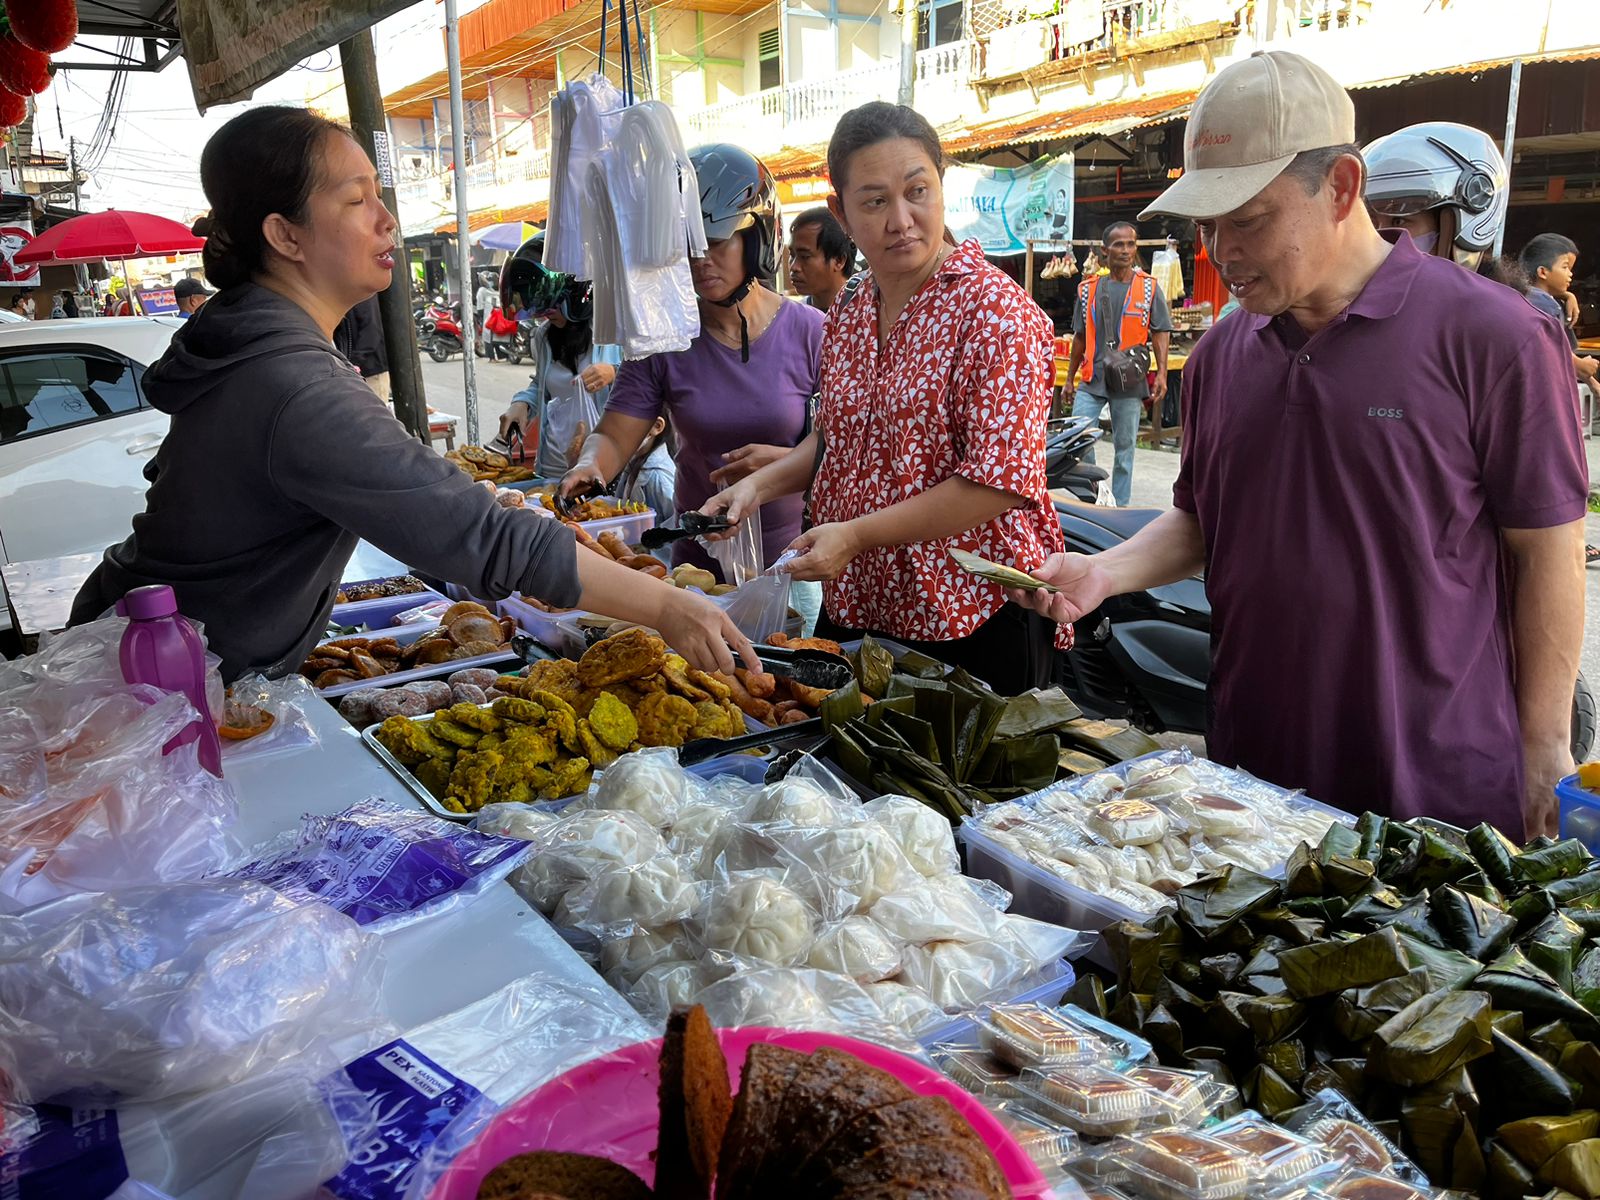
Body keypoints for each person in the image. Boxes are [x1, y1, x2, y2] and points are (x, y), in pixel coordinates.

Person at [1011, 50, 1588, 838]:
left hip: (1436, 779)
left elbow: (1546, 549)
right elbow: (1203, 520)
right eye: (1208, 223)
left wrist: (1545, 750)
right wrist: (1099, 572)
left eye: (1248, 218)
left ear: (1343, 187)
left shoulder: (1495, 337)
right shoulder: (1220, 355)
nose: (1222, 248)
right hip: (1253, 777)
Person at [68, 105, 756, 683]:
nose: (386, 219)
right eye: (356, 200)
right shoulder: (289, 383)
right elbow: (481, 539)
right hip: (154, 689)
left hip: (149, 663)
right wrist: (667, 607)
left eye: (379, 194)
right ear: (284, 236)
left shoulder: (259, 344)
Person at [700, 102, 1067, 695]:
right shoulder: (848, 306)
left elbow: (997, 483)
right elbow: (838, 436)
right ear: (842, 211)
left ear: (941, 186)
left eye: (917, 191)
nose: (901, 219)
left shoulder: (996, 314)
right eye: (875, 202)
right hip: (859, 604)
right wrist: (757, 489)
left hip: (967, 615)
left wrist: (855, 535)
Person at [560, 144, 824, 579]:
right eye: (687, 246)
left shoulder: (814, 331)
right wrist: (591, 466)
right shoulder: (662, 339)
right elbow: (614, 434)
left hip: (793, 567)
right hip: (697, 570)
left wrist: (784, 461)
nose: (700, 260)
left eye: (716, 242)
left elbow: (850, 452)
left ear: (757, 238)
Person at [1062, 222, 1173, 508]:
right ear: (1104, 250)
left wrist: (1161, 372)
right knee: (1080, 439)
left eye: (1131, 244)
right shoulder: (1087, 289)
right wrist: (1069, 379)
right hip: (1092, 377)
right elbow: (1078, 336)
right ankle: (1097, 496)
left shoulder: (1149, 288)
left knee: (1126, 448)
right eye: (1119, 245)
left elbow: (1160, 330)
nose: (1126, 250)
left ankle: (1120, 505)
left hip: (1129, 380)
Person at [496, 236, 622, 478]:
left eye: (551, 308)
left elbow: (651, 381)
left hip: (601, 468)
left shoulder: (613, 333)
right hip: (552, 466)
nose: (546, 316)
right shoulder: (543, 337)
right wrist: (521, 404)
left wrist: (614, 372)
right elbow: (542, 386)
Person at [1520, 233, 1600, 567]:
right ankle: (1562, 546)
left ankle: (1569, 542)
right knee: (1555, 476)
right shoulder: (1536, 304)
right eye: (1565, 267)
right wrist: (1581, 365)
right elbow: (1546, 346)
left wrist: (1567, 294)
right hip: (1544, 405)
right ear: (1541, 271)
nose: (1570, 274)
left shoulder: (1539, 299)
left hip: (1548, 402)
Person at [788, 206, 854, 313]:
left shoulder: (866, 314)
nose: (794, 267)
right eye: (792, 255)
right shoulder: (794, 318)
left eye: (805, 257)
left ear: (839, 261)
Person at [620, 414, 676, 526]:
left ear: (657, 426)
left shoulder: (659, 478)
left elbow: (678, 528)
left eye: (624, 422)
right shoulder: (633, 464)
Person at [333, 293, 390, 402]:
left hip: (370, 369)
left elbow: (371, 333)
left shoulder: (365, 294)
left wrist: (352, 363)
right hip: (353, 368)